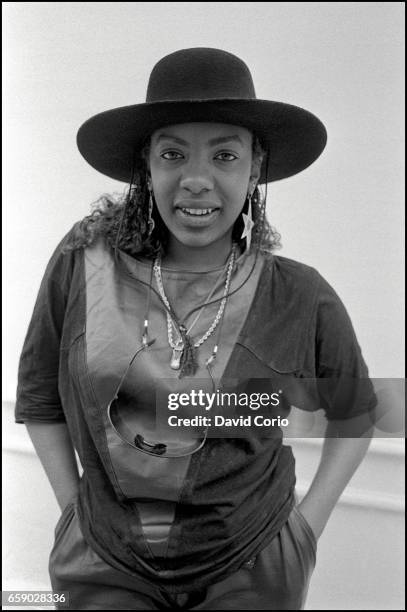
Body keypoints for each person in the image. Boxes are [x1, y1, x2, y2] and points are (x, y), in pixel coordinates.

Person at [15, 47, 376, 610]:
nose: (197, 180)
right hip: (102, 566)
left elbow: (356, 413)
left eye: (225, 155)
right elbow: (39, 398)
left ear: (256, 166)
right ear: (148, 164)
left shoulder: (299, 293)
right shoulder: (84, 262)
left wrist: (304, 535)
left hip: (253, 568)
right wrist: (72, 520)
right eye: (173, 153)